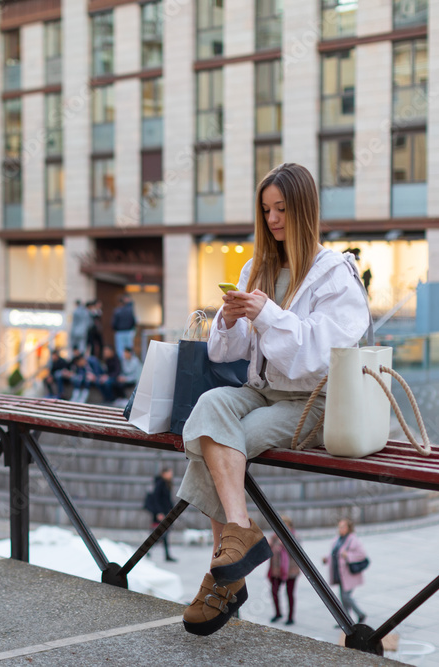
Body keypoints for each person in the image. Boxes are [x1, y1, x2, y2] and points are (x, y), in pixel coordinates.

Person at [177, 163, 371, 637]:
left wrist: (267, 313)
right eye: (266, 210)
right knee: (208, 411)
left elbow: (319, 357)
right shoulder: (256, 267)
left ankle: (222, 580)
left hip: (311, 402)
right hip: (260, 390)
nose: (274, 219)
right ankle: (240, 535)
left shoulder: (336, 275)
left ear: (305, 209)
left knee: (225, 439)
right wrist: (229, 321)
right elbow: (232, 352)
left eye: (282, 209)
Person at [323, 518, 368, 625]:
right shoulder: (337, 539)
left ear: (349, 528)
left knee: (346, 597)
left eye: (343, 527)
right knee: (343, 598)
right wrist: (326, 559)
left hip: (349, 575)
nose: (340, 529)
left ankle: (360, 614)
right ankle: (347, 621)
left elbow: (362, 554)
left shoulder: (353, 540)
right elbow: (334, 554)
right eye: (339, 527)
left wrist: (348, 556)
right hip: (339, 574)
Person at [268, 515, 300, 625]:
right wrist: (271, 542)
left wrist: (284, 545)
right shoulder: (275, 536)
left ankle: (290, 617)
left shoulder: (295, 536)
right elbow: (268, 549)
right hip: (276, 570)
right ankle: (278, 613)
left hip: (291, 571)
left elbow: (296, 552)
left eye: (286, 525)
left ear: (290, 527)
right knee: (274, 592)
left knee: (289, 593)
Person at [144, 467, 177, 562]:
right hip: (160, 514)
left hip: (165, 512)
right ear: (164, 473)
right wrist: (159, 512)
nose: (171, 475)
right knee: (160, 534)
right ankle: (147, 550)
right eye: (169, 473)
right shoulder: (160, 483)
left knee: (164, 534)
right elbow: (156, 499)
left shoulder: (166, 484)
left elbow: (167, 500)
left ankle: (167, 555)